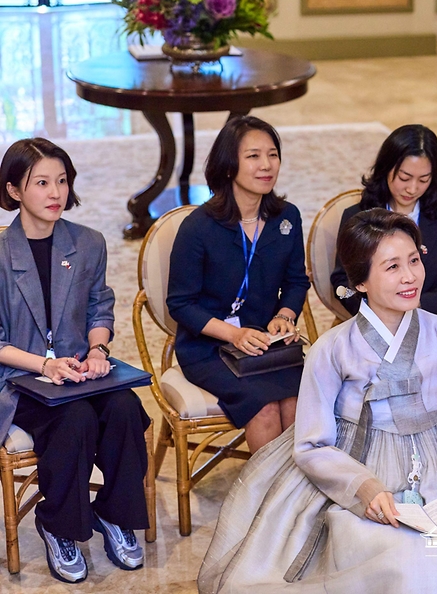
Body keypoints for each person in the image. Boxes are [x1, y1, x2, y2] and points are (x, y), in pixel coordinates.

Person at [197, 209, 437, 593]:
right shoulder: (332, 349)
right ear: (361, 282)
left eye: (414, 260)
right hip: (360, 472)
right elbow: (312, 444)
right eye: (393, 266)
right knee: (402, 563)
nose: (410, 276)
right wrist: (362, 488)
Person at [0, 139, 150, 582]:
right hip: (19, 378)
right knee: (76, 419)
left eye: (62, 181)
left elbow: (100, 308)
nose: (55, 193)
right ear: (13, 191)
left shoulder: (87, 243)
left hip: (80, 373)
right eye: (41, 182)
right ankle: (57, 525)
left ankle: (113, 515)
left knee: (124, 408)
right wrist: (44, 365)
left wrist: (98, 350)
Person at [167, 116, 310, 454]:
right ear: (229, 165)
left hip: (265, 342)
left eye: (272, 155)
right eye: (253, 156)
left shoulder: (287, 217)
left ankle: (298, 498)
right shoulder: (198, 228)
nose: (266, 165)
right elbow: (181, 304)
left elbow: (295, 281)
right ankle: (269, 501)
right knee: (263, 409)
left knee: (299, 401)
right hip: (209, 349)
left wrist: (285, 315)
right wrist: (234, 334)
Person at [330, 124, 437, 319]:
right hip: (374, 322)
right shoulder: (358, 217)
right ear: (386, 169)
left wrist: (414, 304)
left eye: (423, 180)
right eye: (404, 178)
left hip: (432, 320)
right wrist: (376, 310)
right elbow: (342, 283)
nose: (412, 189)